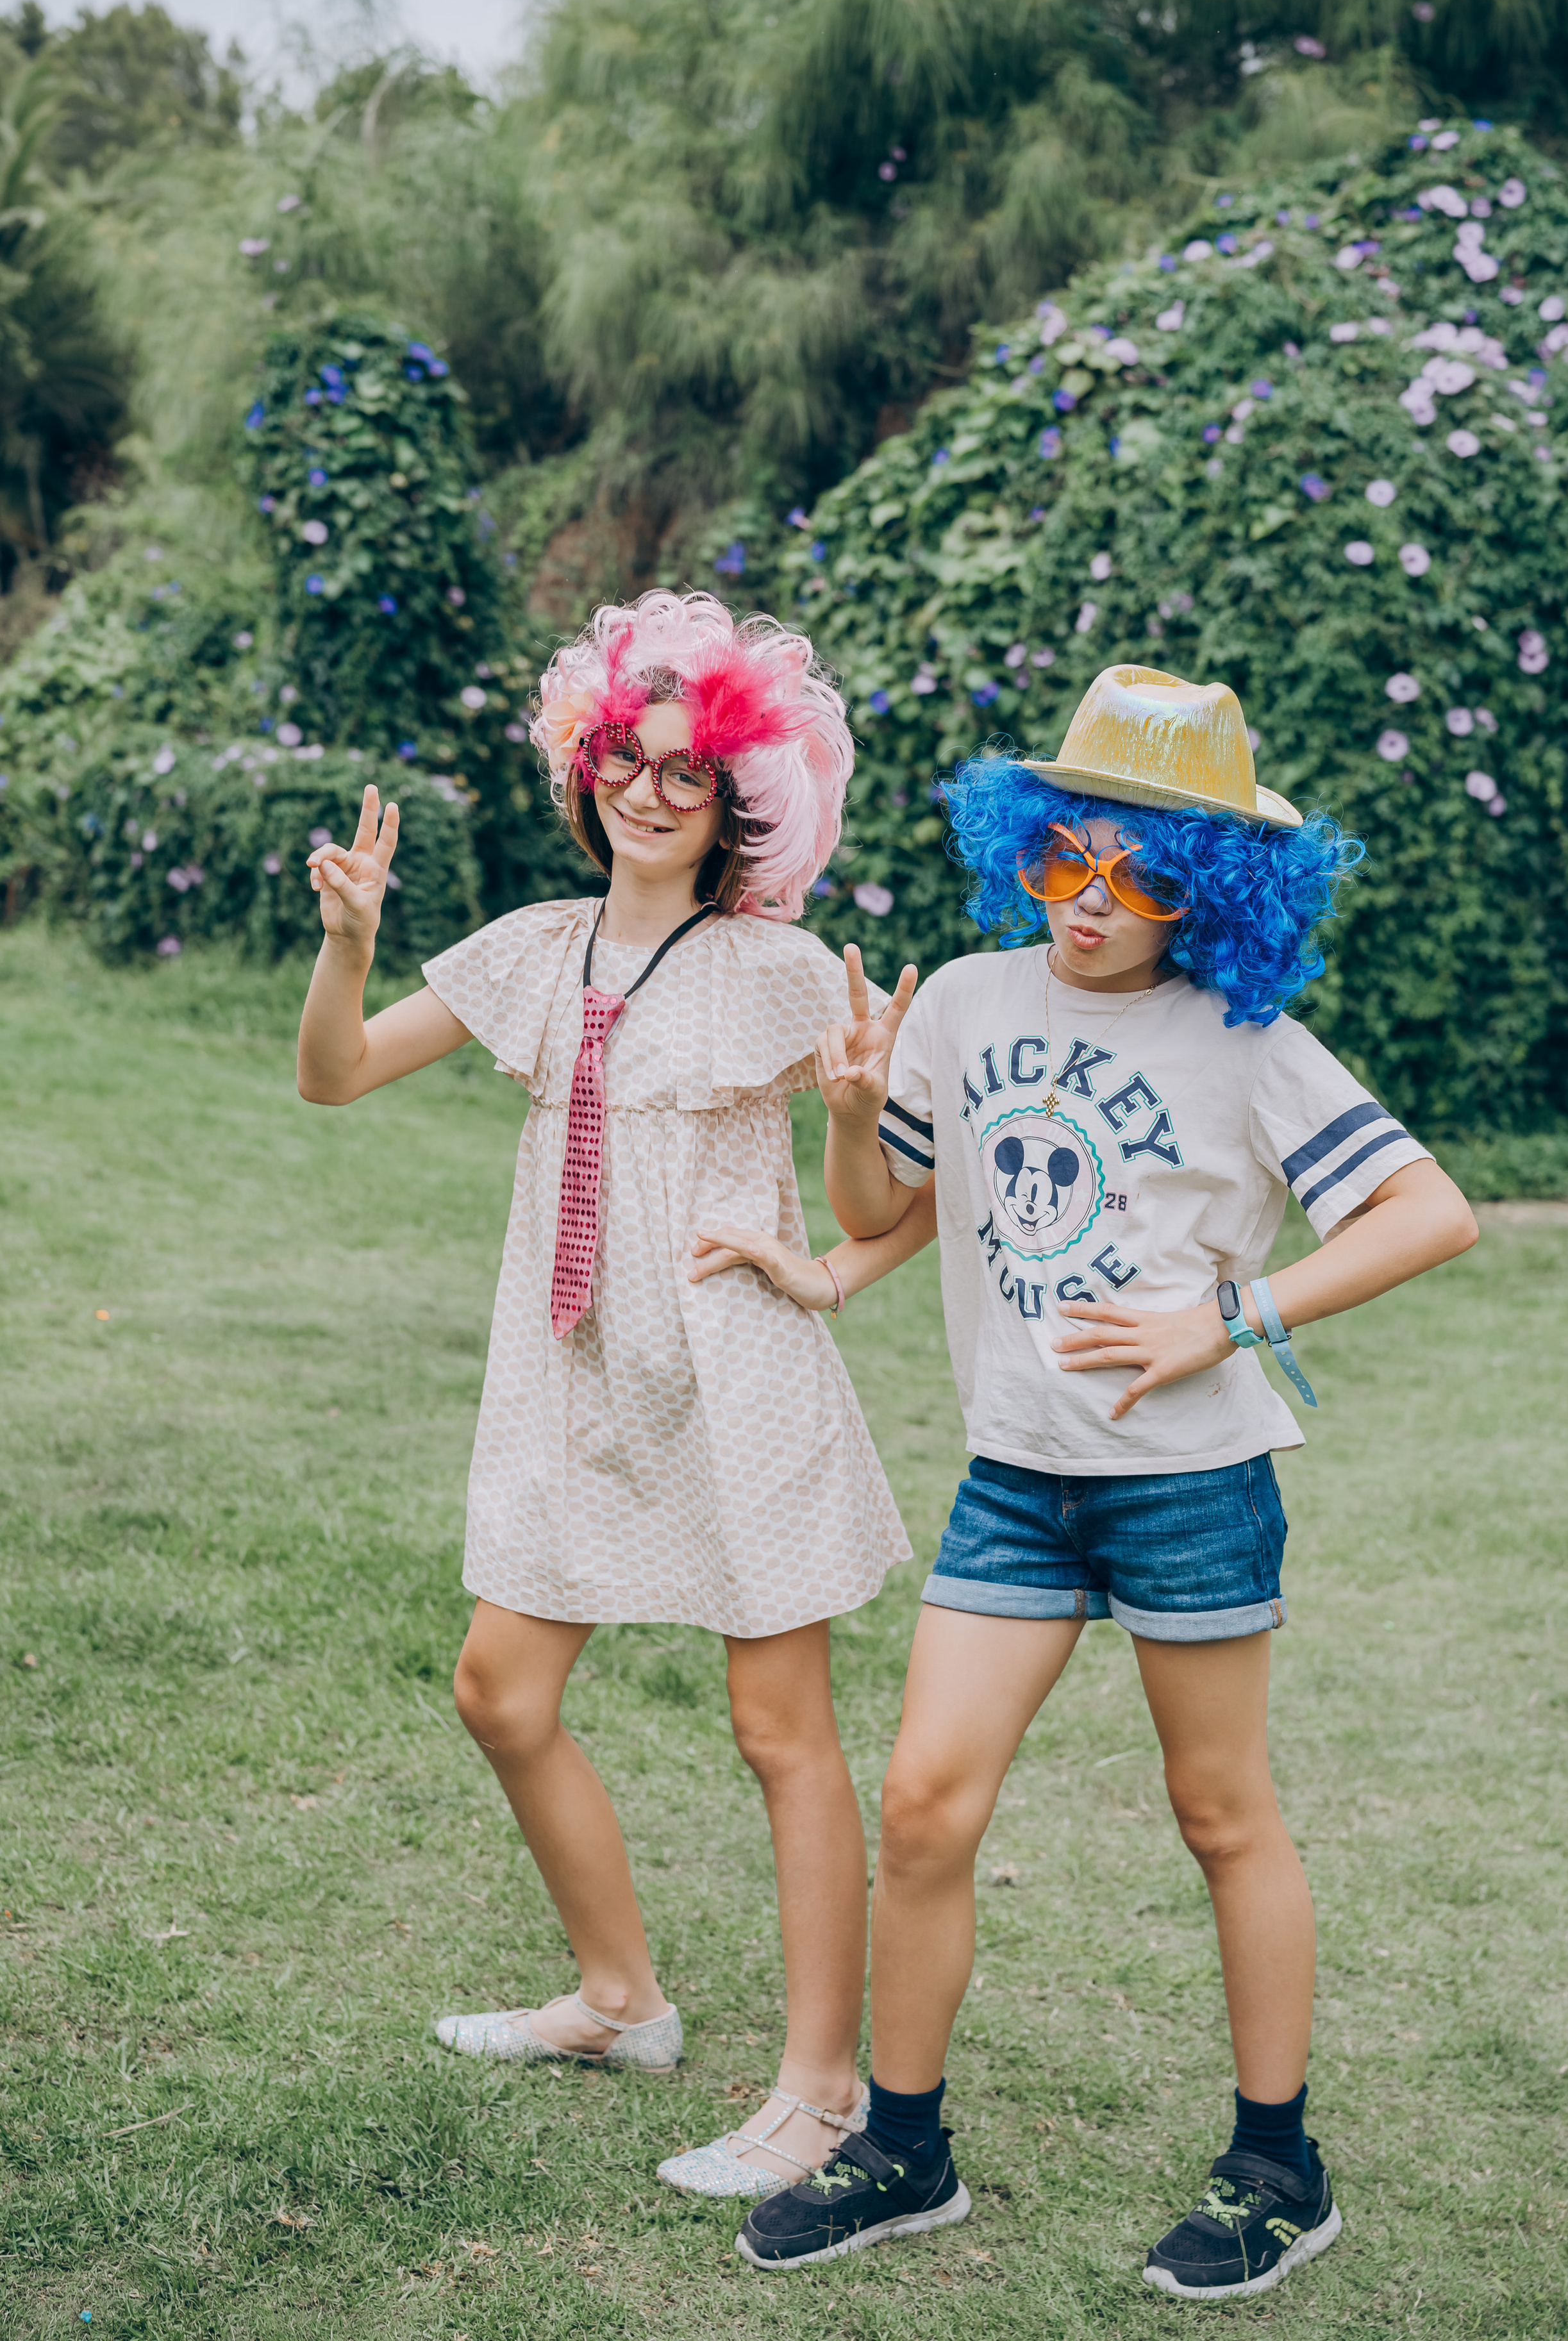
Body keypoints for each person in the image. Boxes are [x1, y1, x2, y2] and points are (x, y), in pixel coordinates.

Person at [691, 667, 1479, 2295]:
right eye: (1066, 858)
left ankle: (1279, 2168)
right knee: (923, 1807)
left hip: (1187, 1484)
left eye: (1143, 874)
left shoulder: (1246, 1039)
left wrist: (1233, 1313)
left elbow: (1426, 1213)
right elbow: (883, 1203)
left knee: (1219, 1815)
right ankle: (901, 2149)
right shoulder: (974, 1001)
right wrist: (847, 1112)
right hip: (1017, 1477)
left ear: (1214, 889)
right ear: (1026, 849)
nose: (1093, 901)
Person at [294, 589, 912, 2201]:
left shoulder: (778, 975)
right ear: (585, 768)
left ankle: (823, 2090)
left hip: (732, 1368)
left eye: (685, 774)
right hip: (567, 1369)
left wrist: (841, 1175)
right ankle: (619, 2000)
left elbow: (883, 1207)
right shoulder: (528, 949)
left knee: (779, 1734)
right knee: (499, 1691)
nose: (647, 791)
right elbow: (336, 1071)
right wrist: (346, 948)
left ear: (736, 807)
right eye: (624, 762)